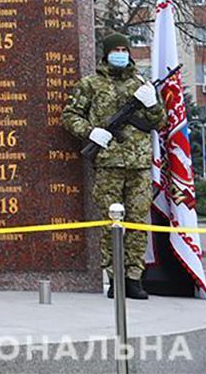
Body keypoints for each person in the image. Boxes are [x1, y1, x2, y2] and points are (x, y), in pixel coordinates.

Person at [61, 31, 164, 300]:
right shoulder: (91, 84)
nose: (121, 53)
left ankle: (134, 278)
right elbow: (70, 116)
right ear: (106, 53)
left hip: (139, 164)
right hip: (108, 163)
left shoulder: (142, 83)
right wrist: (91, 132)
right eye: (115, 49)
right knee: (111, 223)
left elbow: (159, 121)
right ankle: (115, 277)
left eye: (124, 48)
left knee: (138, 222)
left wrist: (152, 103)